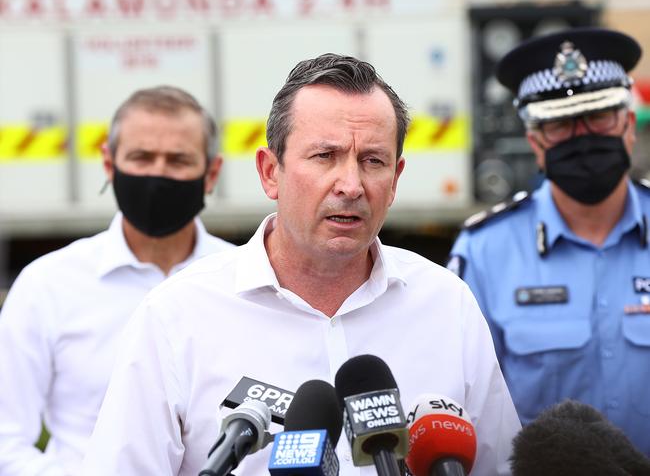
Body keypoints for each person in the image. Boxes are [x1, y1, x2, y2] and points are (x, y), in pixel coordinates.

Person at [81, 54, 520, 476]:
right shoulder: (176, 316)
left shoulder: (446, 304)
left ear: (395, 180)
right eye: (324, 156)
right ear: (270, 172)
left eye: (373, 161)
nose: (350, 185)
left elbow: (499, 465)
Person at [0, 86, 235, 476]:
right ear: (109, 164)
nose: (158, 174)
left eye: (178, 160)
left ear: (211, 173)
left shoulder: (243, 279)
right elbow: (6, 438)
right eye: (141, 157)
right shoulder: (47, 285)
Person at [448, 27, 650, 455]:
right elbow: (461, 405)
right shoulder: (484, 252)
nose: (582, 136)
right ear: (535, 142)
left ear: (629, 125)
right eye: (559, 124)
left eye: (598, 117)